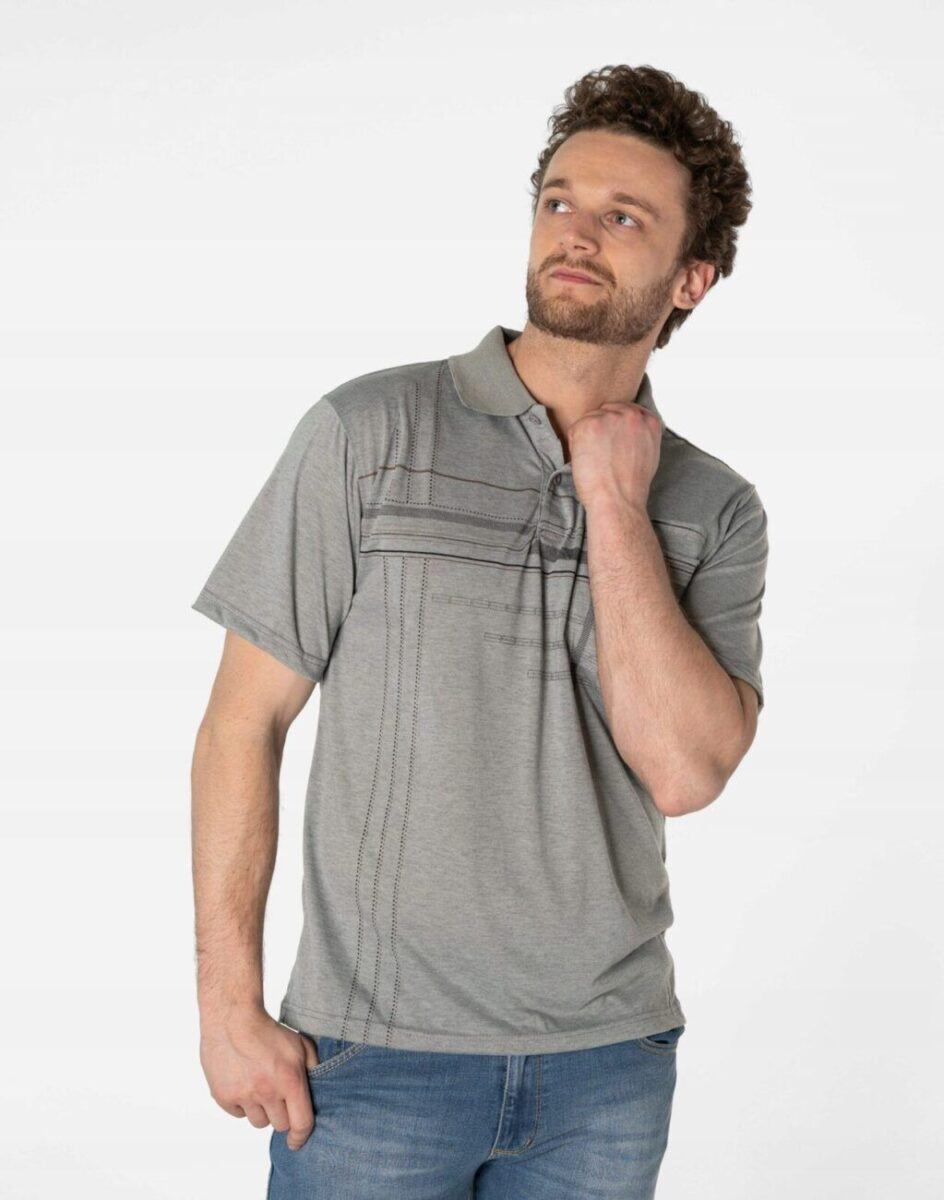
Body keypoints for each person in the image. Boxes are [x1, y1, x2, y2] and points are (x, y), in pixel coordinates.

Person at [190, 62, 769, 1200]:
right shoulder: (368, 433)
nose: (575, 233)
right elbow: (240, 725)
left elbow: (685, 772)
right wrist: (226, 1008)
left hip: (607, 1067)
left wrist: (614, 501)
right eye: (558, 200)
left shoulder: (714, 508)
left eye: (623, 217)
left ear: (691, 278)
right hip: (371, 1060)